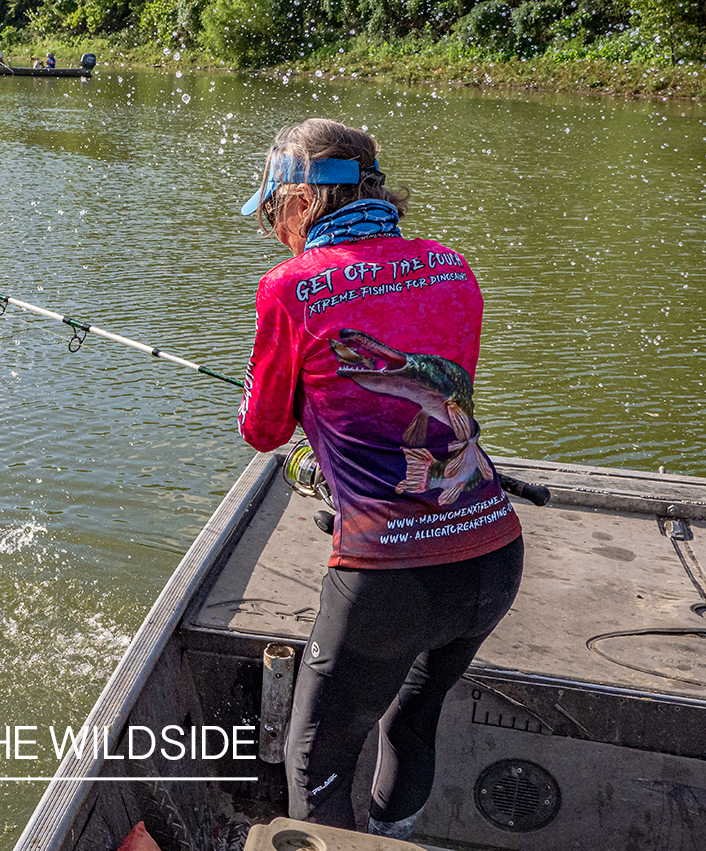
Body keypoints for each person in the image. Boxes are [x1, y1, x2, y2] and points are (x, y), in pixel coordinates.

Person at [237, 118, 524, 839]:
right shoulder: (451, 265)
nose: (274, 228)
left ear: (300, 200)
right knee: (413, 721)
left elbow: (263, 429)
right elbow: (441, 408)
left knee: (315, 761)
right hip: (490, 551)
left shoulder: (291, 286)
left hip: (387, 575)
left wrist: (302, 444)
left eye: (274, 211)